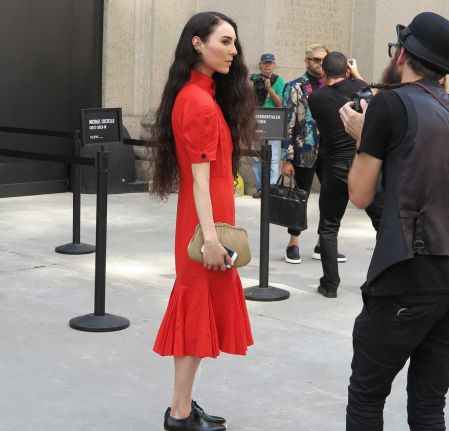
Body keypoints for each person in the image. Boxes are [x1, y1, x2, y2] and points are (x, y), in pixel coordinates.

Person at [339, 12, 449, 429]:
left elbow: (360, 195)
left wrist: (362, 138)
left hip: (408, 278)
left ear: (402, 54)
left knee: (366, 398)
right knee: (428, 407)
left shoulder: (390, 103)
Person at [149, 12, 255, 431]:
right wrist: (211, 240)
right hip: (202, 228)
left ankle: (182, 405)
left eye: (234, 43)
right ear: (197, 43)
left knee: (198, 313)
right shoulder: (196, 101)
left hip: (205, 223)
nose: (233, 51)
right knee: (195, 315)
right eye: (225, 41)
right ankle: (178, 413)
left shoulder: (202, 95)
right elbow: (197, 181)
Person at [307, 52, 382, 298]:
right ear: (348, 71)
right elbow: (375, 92)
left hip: (335, 166)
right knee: (383, 224)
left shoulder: (315, 98)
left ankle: (330, 285)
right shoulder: (359, 88)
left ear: (322, 73)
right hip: (362, 164)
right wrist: (357, 74)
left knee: (329, 227)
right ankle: (378, 280)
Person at [281, 43, 330, 264]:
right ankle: (294, 242)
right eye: (316, 60)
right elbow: (287, 124)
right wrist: (287, 157)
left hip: (331, 152)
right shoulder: (295, 87)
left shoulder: (334, 87)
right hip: (304, 152)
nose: (320, 64)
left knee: (331, 199)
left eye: (323, 60)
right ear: (306, 61)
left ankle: (323, 244)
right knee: (300, 197)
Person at [249, 53, 284, 198]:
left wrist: (269, 89)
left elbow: (280, 103)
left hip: (273, 122)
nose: (267, 66)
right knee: (256, 156)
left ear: (274, 65)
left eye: (270, 63)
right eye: (265, 63)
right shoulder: (253, 79)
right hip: (255, 121)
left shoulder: (279, 81)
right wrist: (248, 89)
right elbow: (246, 103)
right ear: (260, 65)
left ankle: (271, 188)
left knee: (273, 157)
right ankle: (260, 188)